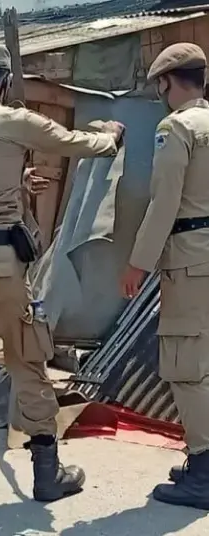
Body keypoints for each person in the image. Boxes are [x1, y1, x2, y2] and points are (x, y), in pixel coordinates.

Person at [0, 44, 124, 502]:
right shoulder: (15, 121)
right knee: (27, 362)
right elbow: (81, 144)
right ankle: (45, 474)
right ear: (1, 79)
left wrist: (16, 181)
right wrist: (111, 135)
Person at [120, 42, 209, 511]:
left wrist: (139, 261)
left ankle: (205, 470)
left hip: (191, 258)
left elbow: (164, 201)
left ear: (168, 82)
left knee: (186, 366)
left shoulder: (175, 128)